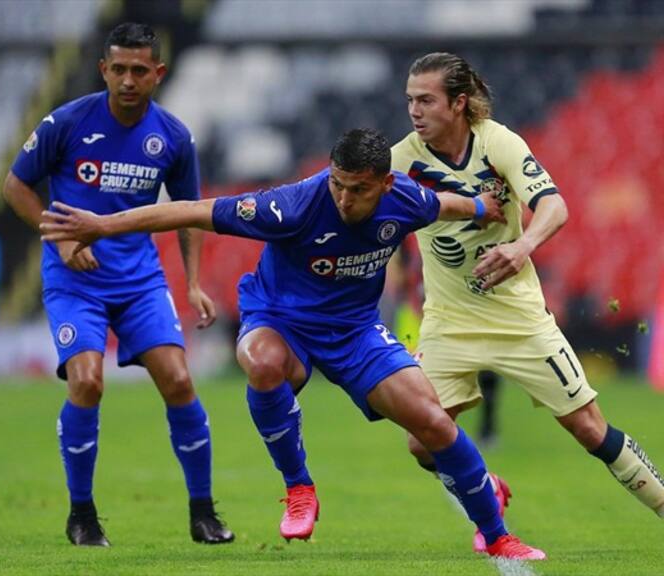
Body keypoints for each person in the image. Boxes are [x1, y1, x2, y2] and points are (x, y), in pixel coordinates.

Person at [40, 127, 547, 560]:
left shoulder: (405, 199)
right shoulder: (291, 206)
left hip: (353, 330)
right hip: (280, 320)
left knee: (433, 422)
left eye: (359, 190)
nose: (345, 199)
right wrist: (102, 225)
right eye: (339, 185)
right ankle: (299, 488)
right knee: (262, 364)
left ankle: (498, 536)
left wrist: (482, 206)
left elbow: (445, 204)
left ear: (385, 184)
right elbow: (191, 211)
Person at [390, 52, 664, 553]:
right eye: (410, 100)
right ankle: (485, 487)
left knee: (589, 429)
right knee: (420, 442)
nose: (414, 110)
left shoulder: (498, 142)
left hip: (519, 319)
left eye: (426, 100)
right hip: (448, 322)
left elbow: (554, 206)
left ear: (459, 103)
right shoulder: (402, 160)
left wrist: (522, 246)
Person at [2, 22, 233, 547]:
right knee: (86, 381)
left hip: (140, 282)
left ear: (158, 73)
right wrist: (59, 239)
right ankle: (81, 515)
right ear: (104, 69)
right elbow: (15, 185)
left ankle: (203, 512)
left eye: (139, 70)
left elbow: (191, 212)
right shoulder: (67, 122)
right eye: (118, 69)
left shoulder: (173, 137)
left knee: (178, 379)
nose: (128, 80)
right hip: (74, 280)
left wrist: (193, 284)